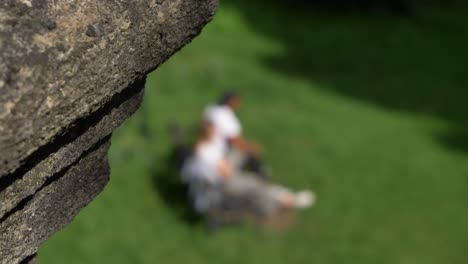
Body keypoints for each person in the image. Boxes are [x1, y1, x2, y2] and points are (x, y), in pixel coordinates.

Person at [181, 121, 315, 218]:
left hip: (221, 174)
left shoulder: (204, 146)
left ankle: (270, 184)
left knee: (241, 152)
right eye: (214, 130)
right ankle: (284, 201)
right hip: (222, 183)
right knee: (255, 183)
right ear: (208, 133)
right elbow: (226, 172)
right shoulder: (205, 152)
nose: (217, 132)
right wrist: (231, 167)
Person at [203, 91, 265, 176]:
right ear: (232, 101)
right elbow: (234, 140)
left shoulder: (211, 109)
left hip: (204, 149)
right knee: (249, 153)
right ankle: (262, 178)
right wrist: (252, 149)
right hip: (219, 154)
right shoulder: (226, 116)